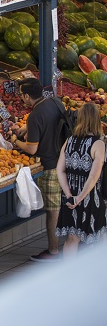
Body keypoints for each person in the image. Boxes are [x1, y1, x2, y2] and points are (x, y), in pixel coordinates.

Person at [14, 78, 64, 262]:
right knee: (61, 205)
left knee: (52, 211)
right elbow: (51, 121)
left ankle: (53, 251)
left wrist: (15, 141)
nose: (21, 98)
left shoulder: (35, 115)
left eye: (21, 95)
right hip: (63, 161)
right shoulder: (53, 101)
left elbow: (31, 149)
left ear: (27, 96)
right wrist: (27, 128)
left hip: (49, 166)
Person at [55, 103, 106, 257]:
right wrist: (81, 197)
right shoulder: (98, 144)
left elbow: (60, 170)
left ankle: (68, 276)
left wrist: (69, 194)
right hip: (90, 197)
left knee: (72, 239)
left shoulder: (69, 141)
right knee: (101, 236)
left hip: (70, 197)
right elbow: (94, 176)